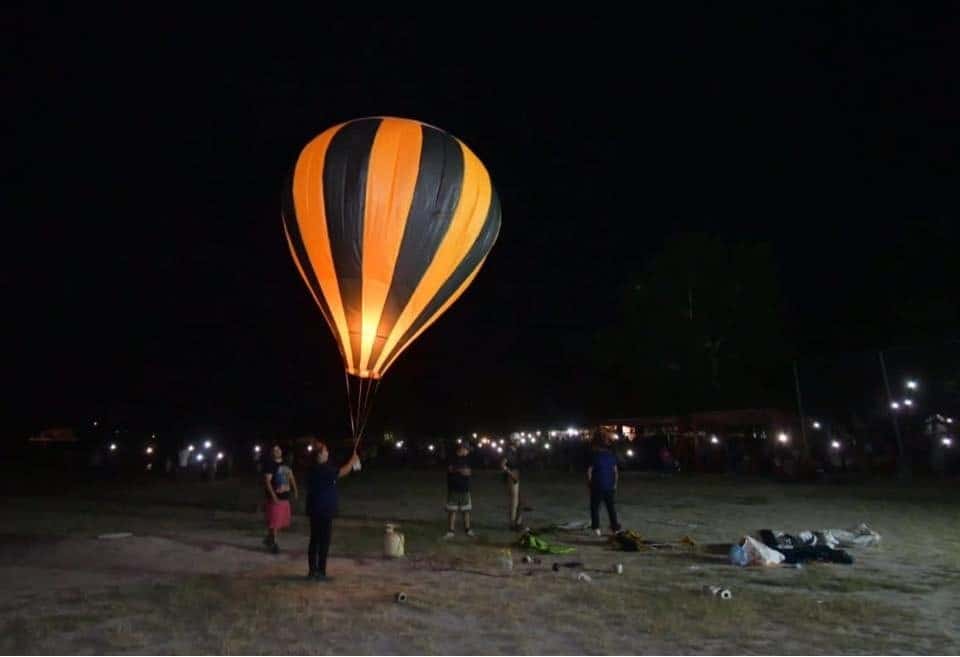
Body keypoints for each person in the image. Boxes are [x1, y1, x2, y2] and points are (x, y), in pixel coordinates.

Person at [305, 439, 360, 581]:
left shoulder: (313, 468)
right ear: (320, 455)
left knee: (314, 540)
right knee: (323, 542)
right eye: (325, 451)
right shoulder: (324, 469)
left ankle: (312, 571)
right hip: (324, 510)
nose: (327, 452)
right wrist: (352, 461)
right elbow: (342, 472)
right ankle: (321, 572)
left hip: (314, 509)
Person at [263, 444, 297, 553]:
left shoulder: (286, 464)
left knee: (279, 522)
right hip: (275, 498)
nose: (277, 451)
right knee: (275, 522)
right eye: (275, 450)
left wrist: (295, 490)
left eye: (279, 449)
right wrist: (273, 496)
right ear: (272, 453)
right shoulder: (270, 465)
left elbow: (291, 477)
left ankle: (269, 539)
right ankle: (273, 544)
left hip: (285, 497)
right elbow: (267, 482)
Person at [587, 432, 621, 536]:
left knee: (595, 507)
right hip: (609, 486)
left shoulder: (595, 456)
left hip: (597, 485)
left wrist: (589, 484)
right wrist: (615, 484)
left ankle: (596, 528)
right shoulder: (611, 456)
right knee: (611, 507)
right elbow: (616, 472)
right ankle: (615, 528)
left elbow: (589, 471)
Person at [445, 442, 475, 538]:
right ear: (461, 448)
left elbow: (469, 472)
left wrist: (464, 471)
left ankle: (468, 529)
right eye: (466, 450)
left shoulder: (468, 459)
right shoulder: (452, 458)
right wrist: (461, 470)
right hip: (453, 488)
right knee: (452, 510)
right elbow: (450, 469)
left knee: (466, 510)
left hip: (465, 488)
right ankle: (451, 530)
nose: (467, 452)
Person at [500, 454, 522, 530]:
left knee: (518, 501)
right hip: (512, 477)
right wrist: (511, 473)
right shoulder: (509, 451)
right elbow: (502, 465)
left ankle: (517, 522)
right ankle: (513, 523)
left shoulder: (515, 451)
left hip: (515, 474)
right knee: (514, 501)